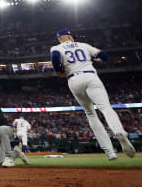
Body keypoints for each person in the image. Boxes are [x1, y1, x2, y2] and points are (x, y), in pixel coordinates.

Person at [50, 30, 135, 160]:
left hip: (74, 79)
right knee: (105, 108)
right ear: (69, 37)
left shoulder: (56, 48)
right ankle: (118, 131)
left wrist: (59, 71)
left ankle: (110, 152)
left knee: (90, 113)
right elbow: (104, 56)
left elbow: (55, 59)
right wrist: (97, 60)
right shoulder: (83, 45)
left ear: (60, 39)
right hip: (90, 75)